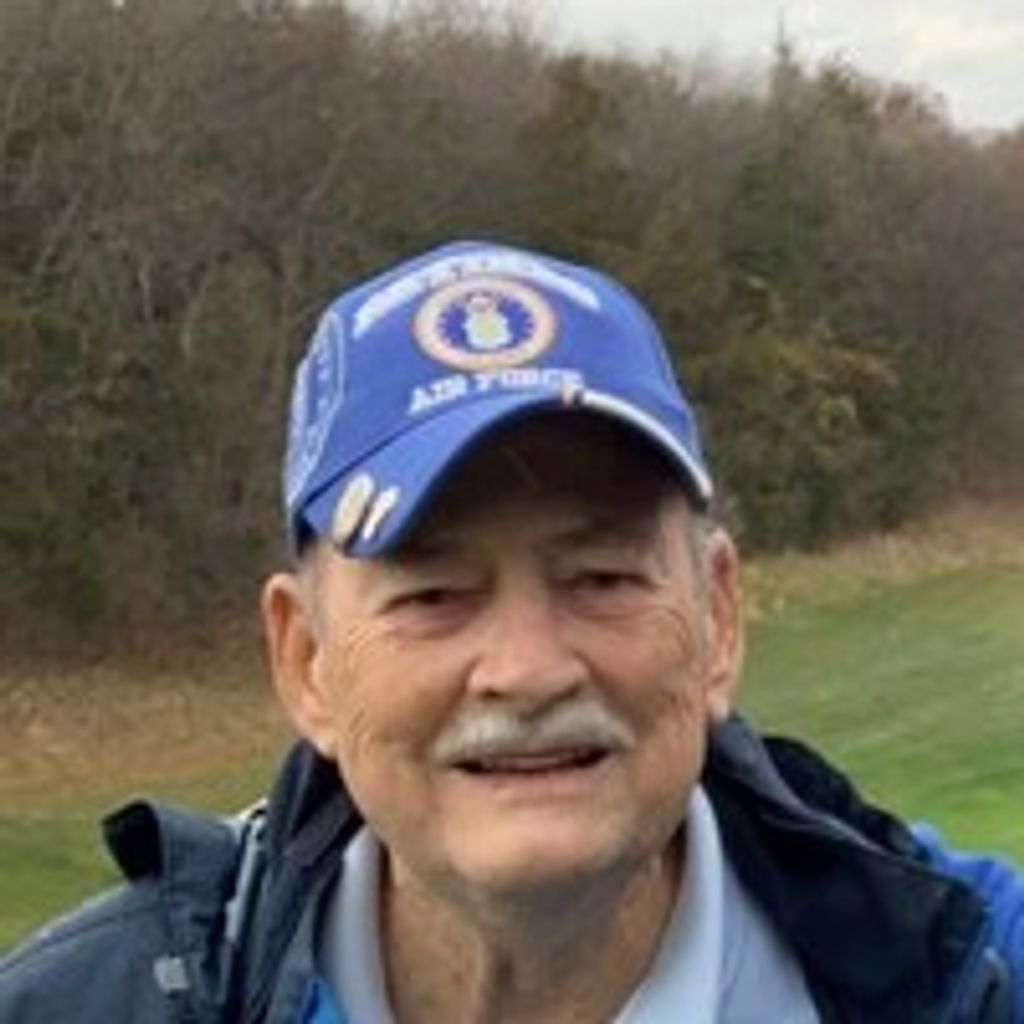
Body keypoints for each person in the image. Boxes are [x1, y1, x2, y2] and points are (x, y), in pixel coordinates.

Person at [2, 240, 1022, 1023]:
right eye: (435, 594)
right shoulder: (86, 1006)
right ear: (305, 661)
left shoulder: (973, 969)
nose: (529, 671)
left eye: (601, 577)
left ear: (717, 619)